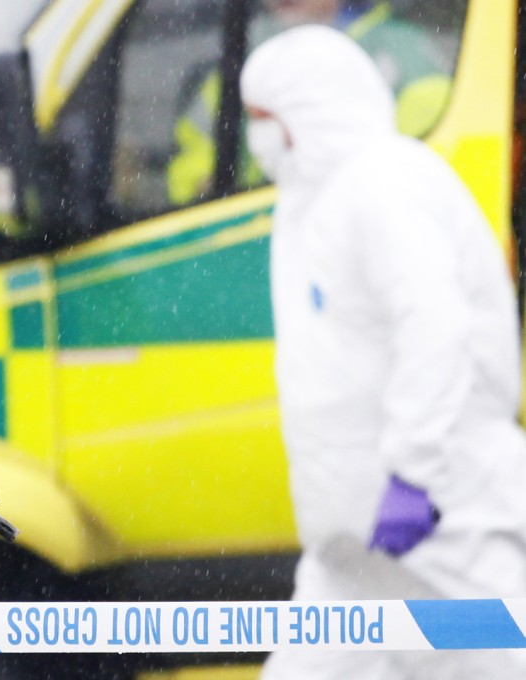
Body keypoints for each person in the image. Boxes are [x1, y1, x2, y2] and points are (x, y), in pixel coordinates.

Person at [241, 25, 526, 679]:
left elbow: (436, 328)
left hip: (448, 530)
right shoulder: (308, 205)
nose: (259, 137)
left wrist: (414, 475)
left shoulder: (386, 184)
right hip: (349, 550)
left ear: (308, 114)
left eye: (265, 119)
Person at [167, 0, 451, 205]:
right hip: (254, 231)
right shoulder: (245, 51)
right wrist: (205, 190)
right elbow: (192, 162)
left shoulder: (402, 52)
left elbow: (421, 165)